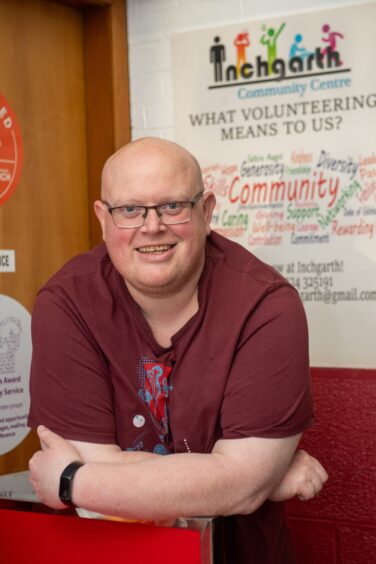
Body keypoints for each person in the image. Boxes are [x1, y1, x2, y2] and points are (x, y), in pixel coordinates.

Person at [28, 138, 328, 563]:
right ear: (103, 218)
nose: (151, 227)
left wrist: (74, 481)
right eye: (129, 210)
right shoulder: (67, 302)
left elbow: (241, 482)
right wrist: (242, 481)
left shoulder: (266, 305)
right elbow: (240, 481)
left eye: (172, 206)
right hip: (102, 554)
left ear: (206, 212)